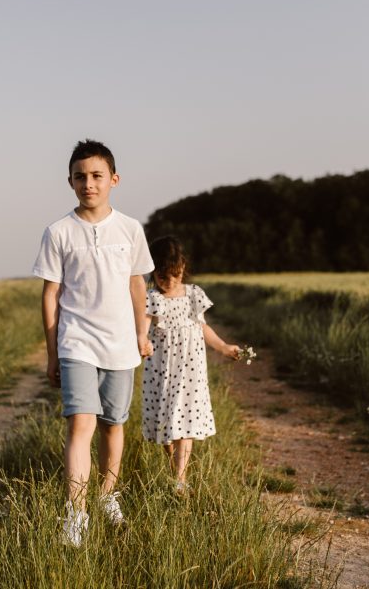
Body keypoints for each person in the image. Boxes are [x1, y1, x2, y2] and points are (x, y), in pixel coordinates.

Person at [32, 139, 155, 547]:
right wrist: (53, 351)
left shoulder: (131, 229)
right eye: (80, 177)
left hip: (120, 345)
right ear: (69, 182)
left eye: (97, 176)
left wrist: (141, 332)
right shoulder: (59, 232)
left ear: (113, 180)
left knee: (113, 425)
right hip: (76, 343)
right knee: (80, 424)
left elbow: (138, 284)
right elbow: (51, 294)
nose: (89, 183)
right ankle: (76, 515)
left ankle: (108, 496)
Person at [142, 235, 241, 493]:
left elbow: (203, 327)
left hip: (190, 368)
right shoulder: (153, 297)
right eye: (163, 276)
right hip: (162, 368)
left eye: (174, 274)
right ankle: (175, 469)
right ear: (154, 272)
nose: (170, 281)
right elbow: (142, 329)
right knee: (166, 423)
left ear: (183, 268)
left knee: (184, 420)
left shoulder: (194, 294)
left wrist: (223, 346)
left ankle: (180, 479)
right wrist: (142, 343)